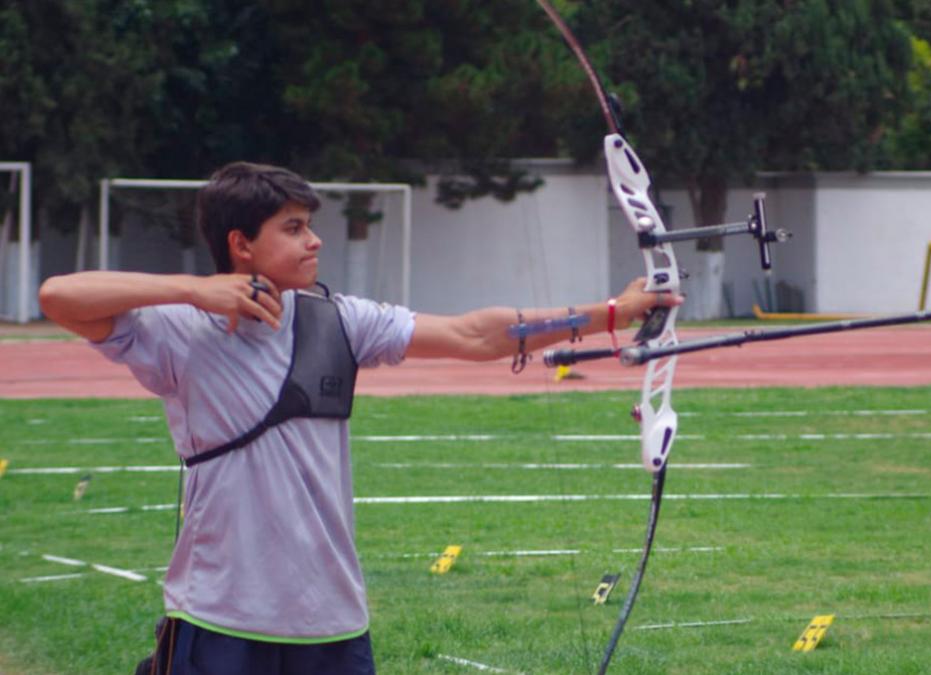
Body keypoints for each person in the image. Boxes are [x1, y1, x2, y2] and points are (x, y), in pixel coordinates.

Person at [38, 161, 681, 675]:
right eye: (292, 227)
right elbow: (58, 297)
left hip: (332, 619)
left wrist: (609, 312)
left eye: (308, 224)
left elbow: (475, 334)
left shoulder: (340, 320)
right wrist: (190, 289)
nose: (314, 239)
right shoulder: (180, 330)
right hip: (217, 616)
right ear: (241, 245)